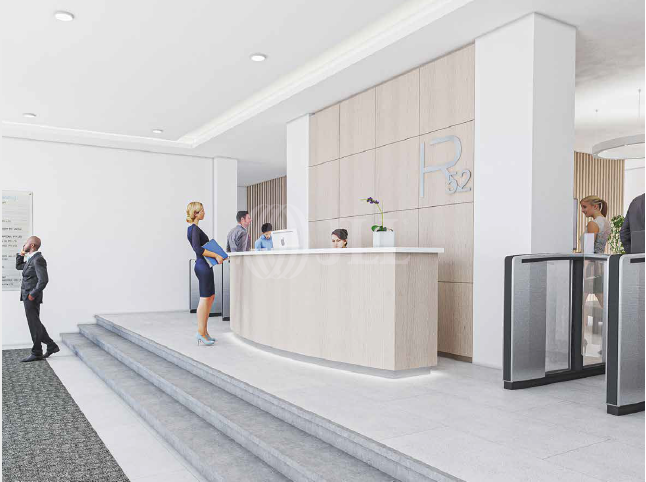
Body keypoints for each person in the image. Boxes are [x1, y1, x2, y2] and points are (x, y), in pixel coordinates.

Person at [16, 236, 59, 362]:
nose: (24, 245)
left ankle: (37, 352)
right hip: (27, 295)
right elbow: (19, 266)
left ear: (32, 245)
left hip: (31, 297)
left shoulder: (38, 259)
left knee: (34, 324)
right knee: (35, 323)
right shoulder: (31, 259)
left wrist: (33, 294)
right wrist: (21, 254)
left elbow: (43, 280)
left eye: (26, 243)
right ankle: (51, 345)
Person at [186, 202, 224, 346]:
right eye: (202, 211)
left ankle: (205, 332)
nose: (204, 213)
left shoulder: (194, 229)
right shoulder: (194, 229)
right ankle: (200, 333)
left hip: (204, 266)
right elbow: (198, 249)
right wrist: (216, 255)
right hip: (202, 266)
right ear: (196, 213)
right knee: (205, 299)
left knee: (210, 297)